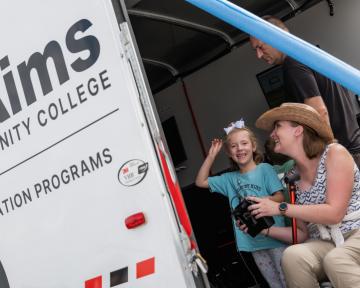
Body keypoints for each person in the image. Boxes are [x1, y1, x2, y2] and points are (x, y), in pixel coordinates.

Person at [247, 102, 360, 288]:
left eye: (278, 127)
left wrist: (280, 208)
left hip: (356, 233)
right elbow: (301, 235)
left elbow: (335, 213)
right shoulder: (292, 179)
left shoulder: (334, 153)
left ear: (298, 130)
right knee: (292, 256)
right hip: (328, 242)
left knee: (336, 259)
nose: (272, 134)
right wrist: (262, 228)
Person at [249, 15, 360, 167]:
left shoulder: (293, 64)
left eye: (260, 47)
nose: (258, 55)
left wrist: (328, 160)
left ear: (275, 35)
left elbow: (319, 111)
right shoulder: (311, 55)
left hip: (346, 157)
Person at [195, 119, 287, 288]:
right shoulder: (229, 179)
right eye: (234, 146)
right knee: (274, 284)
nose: (240, 148)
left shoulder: (265, 169)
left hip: (276, 236)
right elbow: (200, 182)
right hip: (253, 243)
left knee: (288, 279)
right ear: (229, 153)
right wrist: (211, 156)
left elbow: (280, 197)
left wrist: (263, 201)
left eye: (244, 143)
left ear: (253, 146)